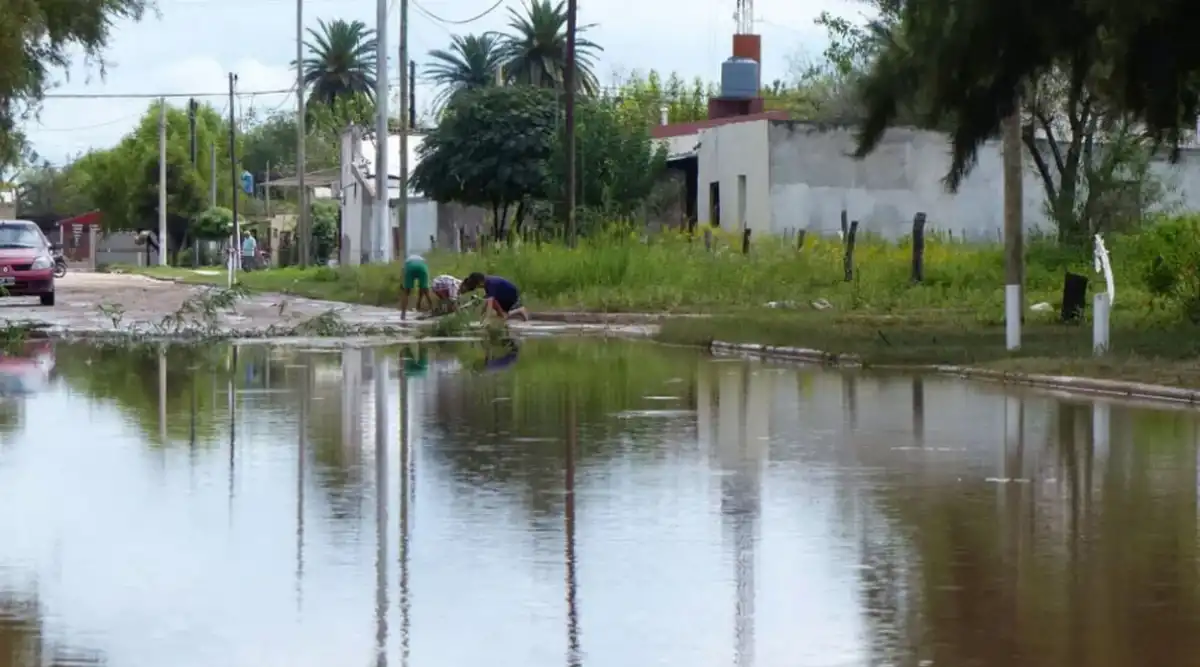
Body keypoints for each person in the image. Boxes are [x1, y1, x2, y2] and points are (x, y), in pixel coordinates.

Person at [460, 272, 529, 321]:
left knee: (504, 316)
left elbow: (490, 302)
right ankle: (514, 313)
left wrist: (487, 318)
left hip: (512, 298)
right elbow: (487, 301)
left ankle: (519, 310)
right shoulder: (487, 283)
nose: (479, 287)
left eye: (478, 286)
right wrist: (482, 315)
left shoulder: (491, 283)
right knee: (501, 315)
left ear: (480, 282)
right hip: (504, 297)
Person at [400, 254, 433, 320]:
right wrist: (419, 301)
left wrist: (402, 283)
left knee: (406, 292)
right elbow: (422, 288)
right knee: (426, 290)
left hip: (410, 267)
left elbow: (403, 272)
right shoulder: (422, 260)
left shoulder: (407, 261)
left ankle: (403, 314)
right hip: (422, 267)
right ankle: (432, 309)